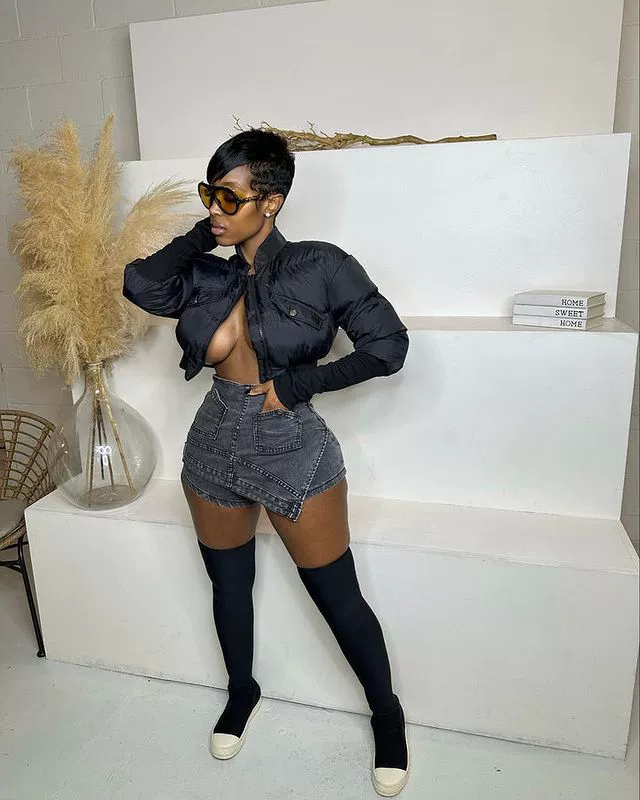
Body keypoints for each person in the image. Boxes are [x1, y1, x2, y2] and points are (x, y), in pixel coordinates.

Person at [122, 129, 411, 797]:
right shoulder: (206, 272)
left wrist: (299, 384)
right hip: (211, 443)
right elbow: (139, 283)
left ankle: (386, 715)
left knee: (338, 598)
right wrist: (201, 236)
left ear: (272, 202)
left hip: (291, 448)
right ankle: (242, 691)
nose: (214, 208)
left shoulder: (321, 265)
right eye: (209, 194)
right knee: (228, 587)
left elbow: (388, 346)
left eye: (229, 197)